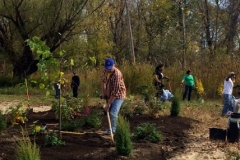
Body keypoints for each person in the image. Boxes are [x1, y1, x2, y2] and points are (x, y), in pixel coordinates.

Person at [101, 58, 126, 135]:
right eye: (107, 68)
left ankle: (113, 131)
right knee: (110, 112)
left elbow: (115, 92)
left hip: (118, 95)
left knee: (113, 112)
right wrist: (103, 92)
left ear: (114, 65)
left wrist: (108, 104)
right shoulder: (105, 70)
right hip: (109, 93)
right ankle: (111, 128)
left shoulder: (117, 75)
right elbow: (103, 81)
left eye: (110, 68)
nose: (108, 70)